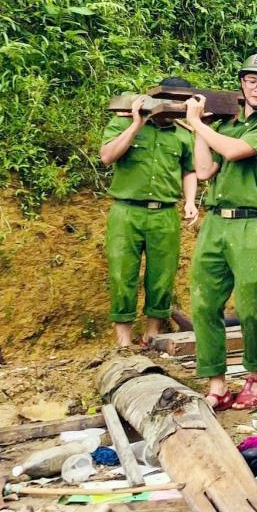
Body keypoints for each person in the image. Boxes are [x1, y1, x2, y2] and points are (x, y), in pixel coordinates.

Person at [184, 54, 257, 411]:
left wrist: (196, 125)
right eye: (251, 81)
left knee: (249, 304)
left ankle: (256, 373)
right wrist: (201, 128)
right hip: (217, 221)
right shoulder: (227, 124)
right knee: (204, 302)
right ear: (242, 85)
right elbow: (203, 171)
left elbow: (234, 152)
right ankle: (216, 382)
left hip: (253, 223)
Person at [100, 77, 199, 349]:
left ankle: (152, 333)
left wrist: (190, 201)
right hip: (126, 211)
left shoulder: (183, 133)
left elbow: (189, 170)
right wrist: (135, 124)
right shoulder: (124, 121)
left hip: (165, 213)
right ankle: (123, 338)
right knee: (123, 273)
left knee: (162, 275)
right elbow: (107, 156)